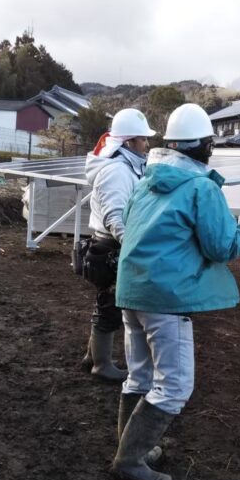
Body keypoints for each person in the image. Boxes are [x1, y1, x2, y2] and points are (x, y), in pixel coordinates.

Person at [111, 103, 240, 480]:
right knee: (176, 385)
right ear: (203, 145)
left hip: (130, 290)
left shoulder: (146, 181)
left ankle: (132, 448)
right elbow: (222, 247)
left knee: (140, 375)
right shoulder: (202, 187)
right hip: (165, 297)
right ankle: (130, 460)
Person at [80, 108, 156, 382]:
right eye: (143, 139)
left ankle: (92, 357)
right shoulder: (116, 171)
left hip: (109, 245)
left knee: (105, 304)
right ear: (128, 142)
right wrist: (131, 247)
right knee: (110, 307)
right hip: (111, 246)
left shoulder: (124, 166)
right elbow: (115, 216)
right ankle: (102, 365)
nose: (147, 145)